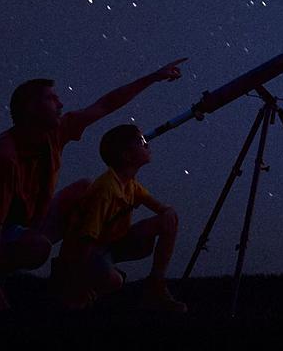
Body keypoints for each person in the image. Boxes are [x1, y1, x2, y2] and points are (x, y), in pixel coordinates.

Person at [0, 58, 187, 313]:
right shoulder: (4, 156)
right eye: (52, 99)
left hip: (32, 222)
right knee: (38, 247)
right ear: (31, 108)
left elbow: (106, 104)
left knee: (83, 188)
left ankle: (69, 275)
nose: (60, 104)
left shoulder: (56, 134)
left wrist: (153, 78)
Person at [54, 124, 186, 313]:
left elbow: (160, 208)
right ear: (126, 156)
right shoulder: (106, 189)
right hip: (85, 251)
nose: (147, 144)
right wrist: (78, 281)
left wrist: (167, 210)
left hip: (111, 243)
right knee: (113, 281)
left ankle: (156, 285)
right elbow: (86, 239)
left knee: (168, 219)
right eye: (141, 142)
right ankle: (74, 289)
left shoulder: (130, 184)